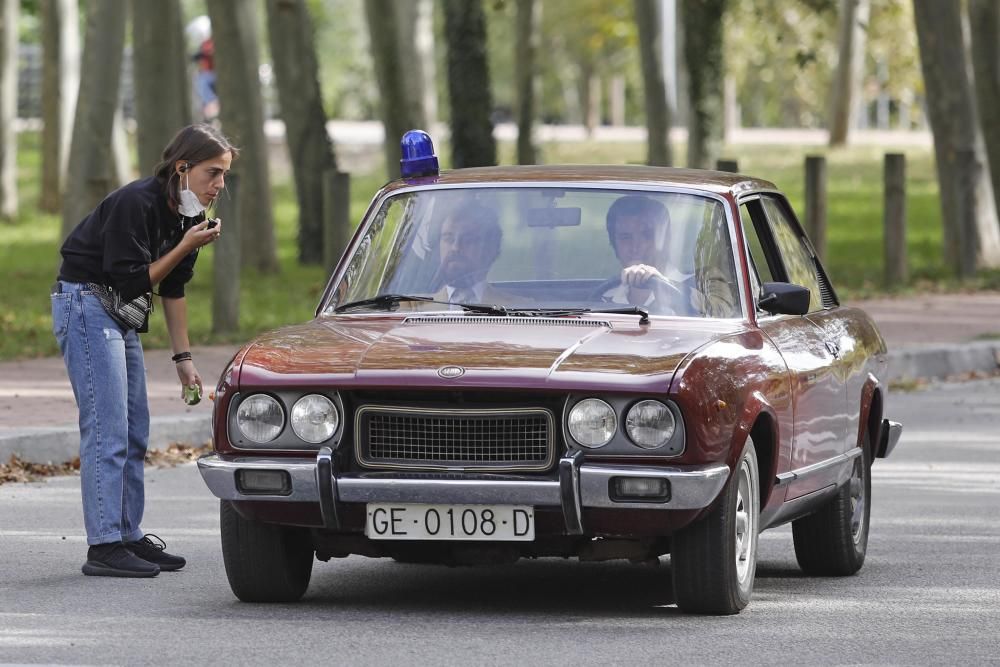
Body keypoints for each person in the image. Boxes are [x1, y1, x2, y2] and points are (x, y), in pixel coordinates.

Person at [52, 124, 237, 578]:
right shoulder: (137, 202)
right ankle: (104, 546)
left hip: (119, 313)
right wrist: (184, 246)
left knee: (135, 431)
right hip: (87, 302)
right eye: (213, 173)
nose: (220, 186)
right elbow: (131, 280)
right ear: (182, 168)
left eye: (225, 176)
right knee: (107, 429)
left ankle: (127, 534)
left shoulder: (190, 218)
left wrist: (184, 360)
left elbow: (172, 289)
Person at [601, 195, 693, 315]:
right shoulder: (603, 297)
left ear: (665, 240)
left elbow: (714, 317)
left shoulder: (697, 288)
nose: (635, 247)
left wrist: (663, 287)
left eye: (647, 235)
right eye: (625, 237)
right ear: (614, 243)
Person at [430, 202, 516, 305]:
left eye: (468, 240)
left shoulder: (521, 310)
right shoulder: (413, 309)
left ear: (490, 249)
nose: (455, 247)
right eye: (448, 238)